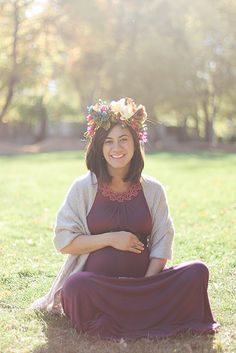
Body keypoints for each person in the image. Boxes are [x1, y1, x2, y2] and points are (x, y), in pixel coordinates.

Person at [31, 97, 220, 339]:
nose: (116, 148)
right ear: (99, 146)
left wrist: (147, 286)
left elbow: (163, 241)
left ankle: (133, 312)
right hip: (100, 288)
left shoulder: (153, 190)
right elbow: (64, 242)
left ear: (135, 142)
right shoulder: (83, 188)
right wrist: (111, 239)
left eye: (123, 139)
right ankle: (142, 316)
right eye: (108, 141)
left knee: (197, 271)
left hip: (145, 285)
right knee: (75, 287)